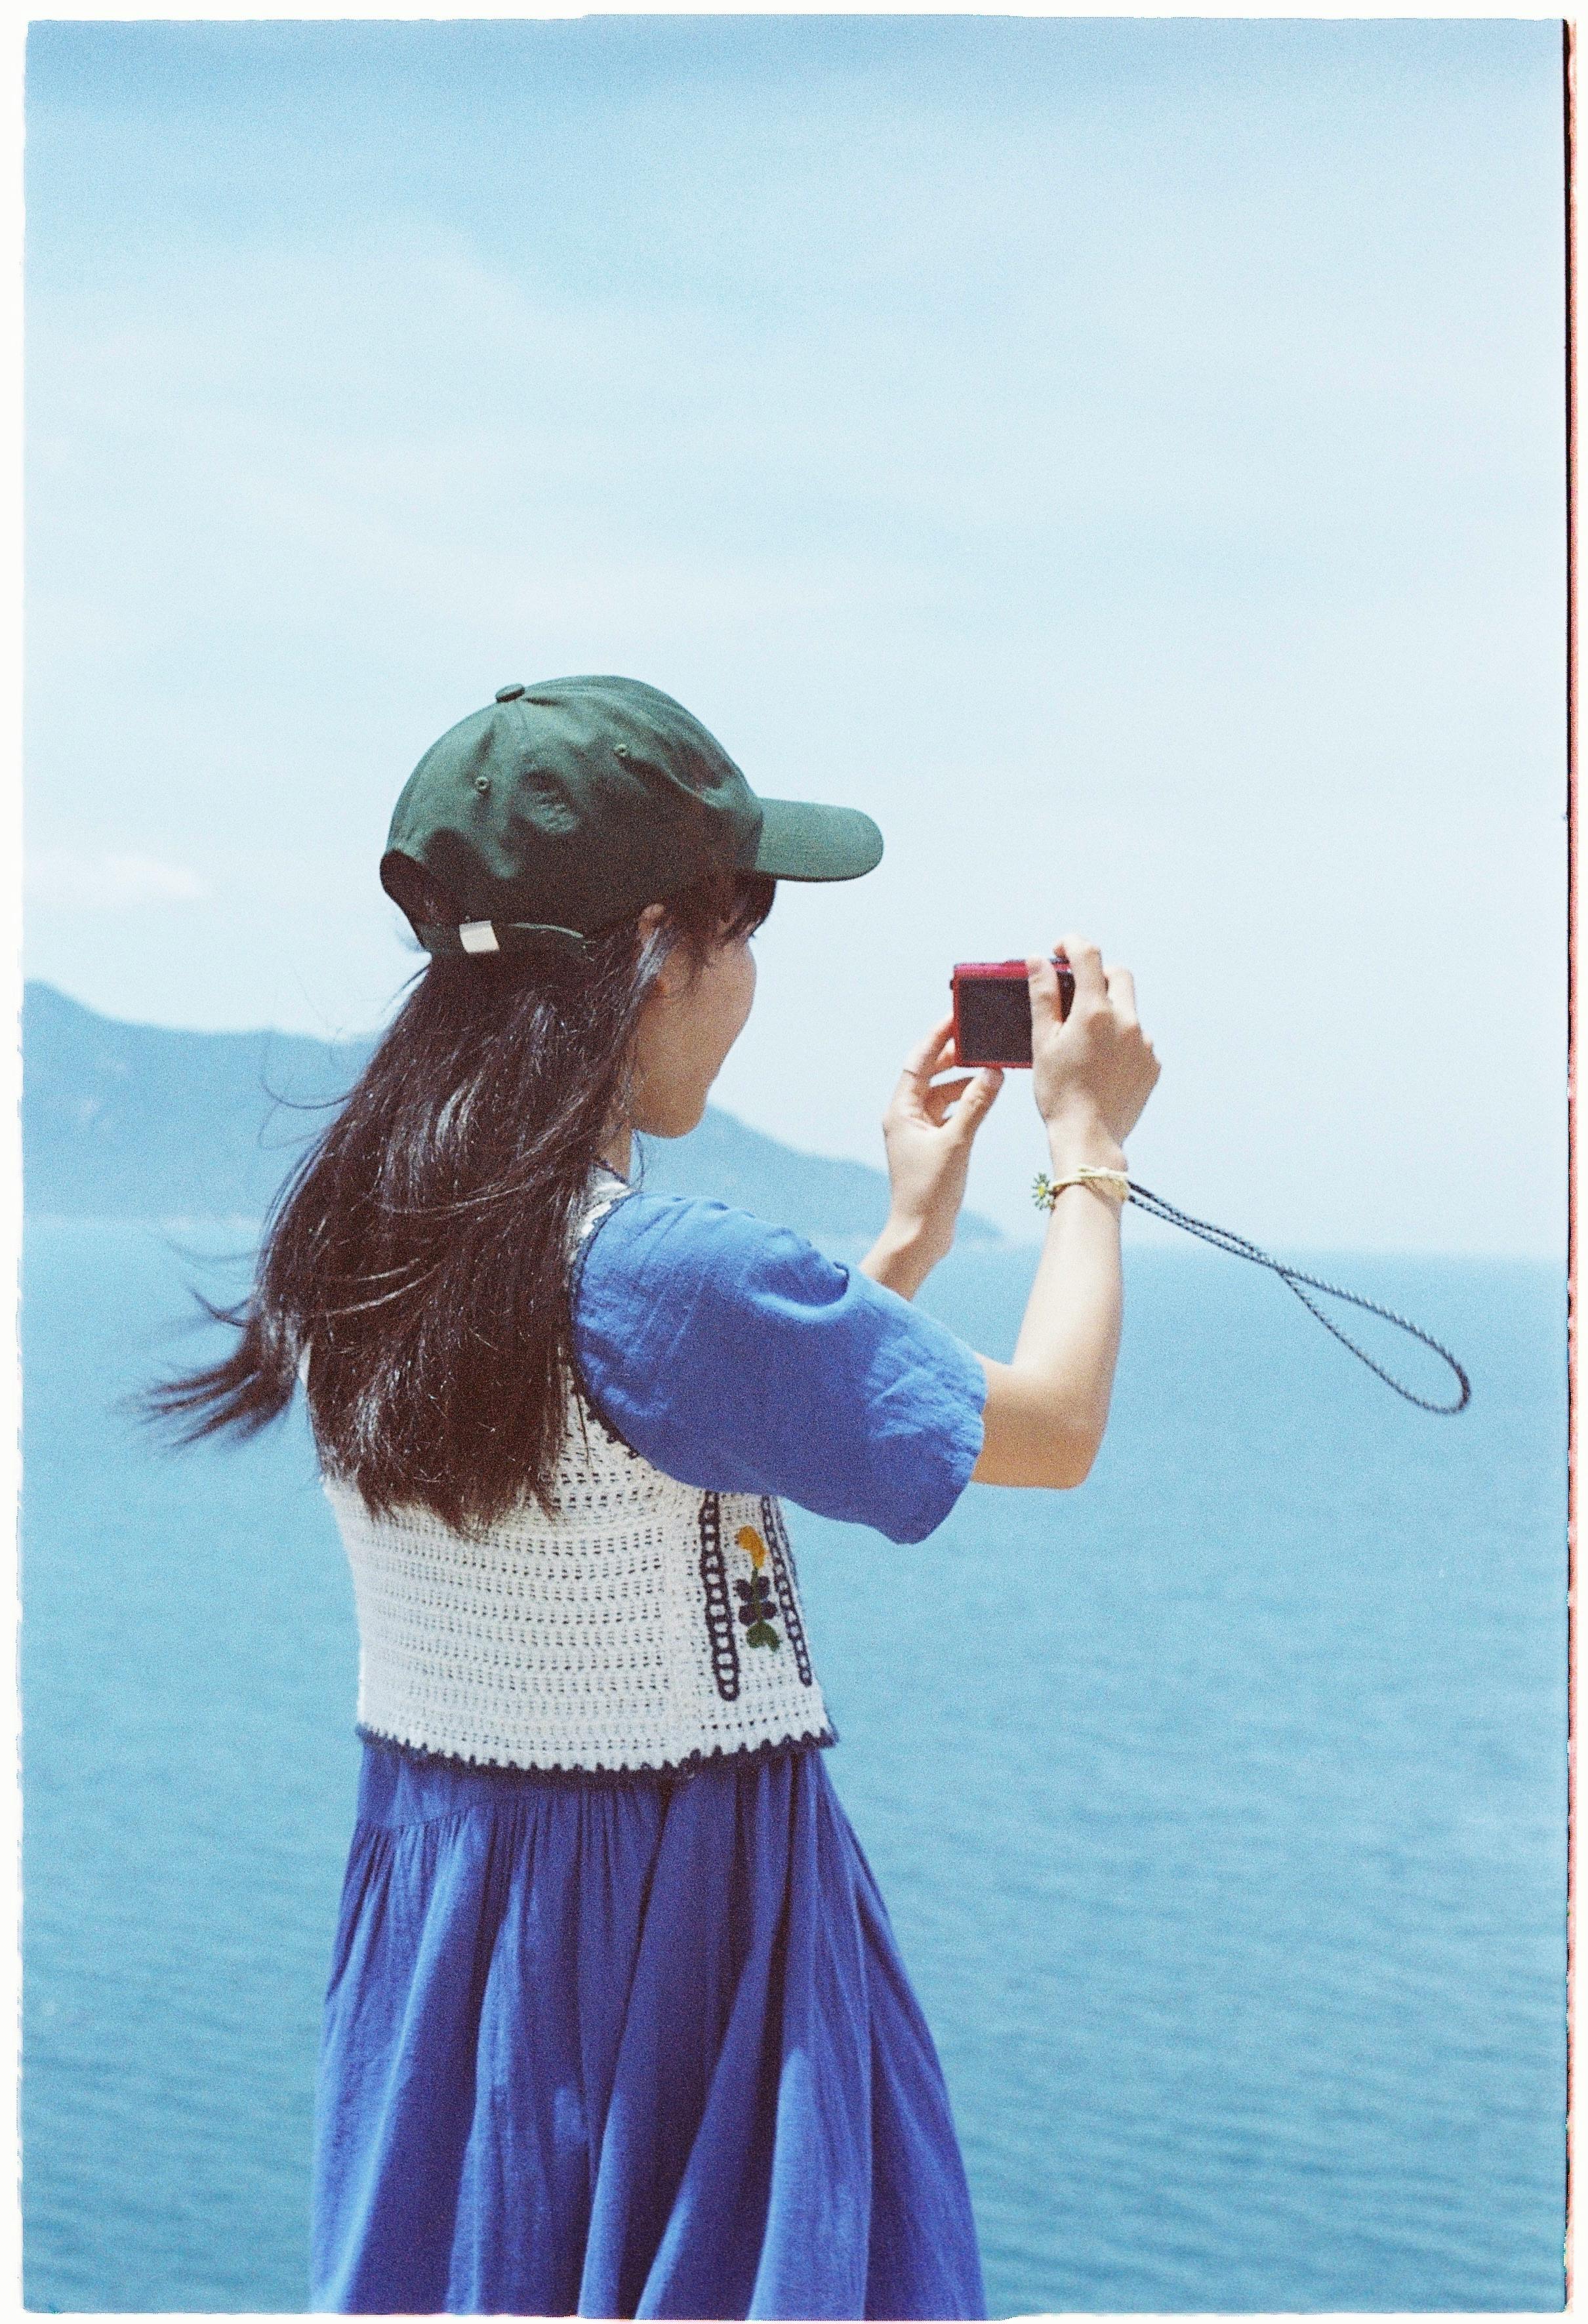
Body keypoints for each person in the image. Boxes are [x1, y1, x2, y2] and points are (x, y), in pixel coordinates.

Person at [150, 674, 1160, 2321]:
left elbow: (627, 1429)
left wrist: (898, 1237)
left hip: (456, 1925)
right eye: (742, 916)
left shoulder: (366, 1240)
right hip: (684, 1932)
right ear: (643, 949)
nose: (750, 970)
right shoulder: (664, 1274)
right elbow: (1048, 1424)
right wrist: (1085, 1146)